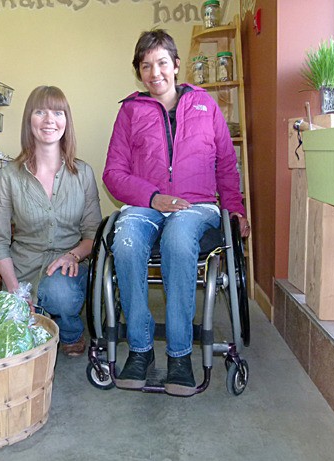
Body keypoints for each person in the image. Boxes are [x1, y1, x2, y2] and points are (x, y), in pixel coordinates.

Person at [103, 29, 251, 396]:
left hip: (196, 205)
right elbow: (113, 173)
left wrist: (235, 209)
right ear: (139, 71)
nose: (155, 72)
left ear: (176, 64)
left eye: (162, 63)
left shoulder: (205, 105)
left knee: (179, 240)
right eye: (146, 65)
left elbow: (227, 166)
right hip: (145, 204)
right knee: (124, 242)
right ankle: (139, 351)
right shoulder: (130, 112)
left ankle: (180, 356)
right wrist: (153, 198)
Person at [0, 86, 102, 357]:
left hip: (68, 269)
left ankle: (72, 332)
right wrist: (15, 289)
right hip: (22, 270)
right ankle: (40, 315)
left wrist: (72, 256)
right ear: (30, 120)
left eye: (57, 112)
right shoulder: (9, 176)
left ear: (66, 121)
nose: (49, 120)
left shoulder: (83, 173)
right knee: (5, 341)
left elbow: (93, 233)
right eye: (40, 112)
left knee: (59, 293)